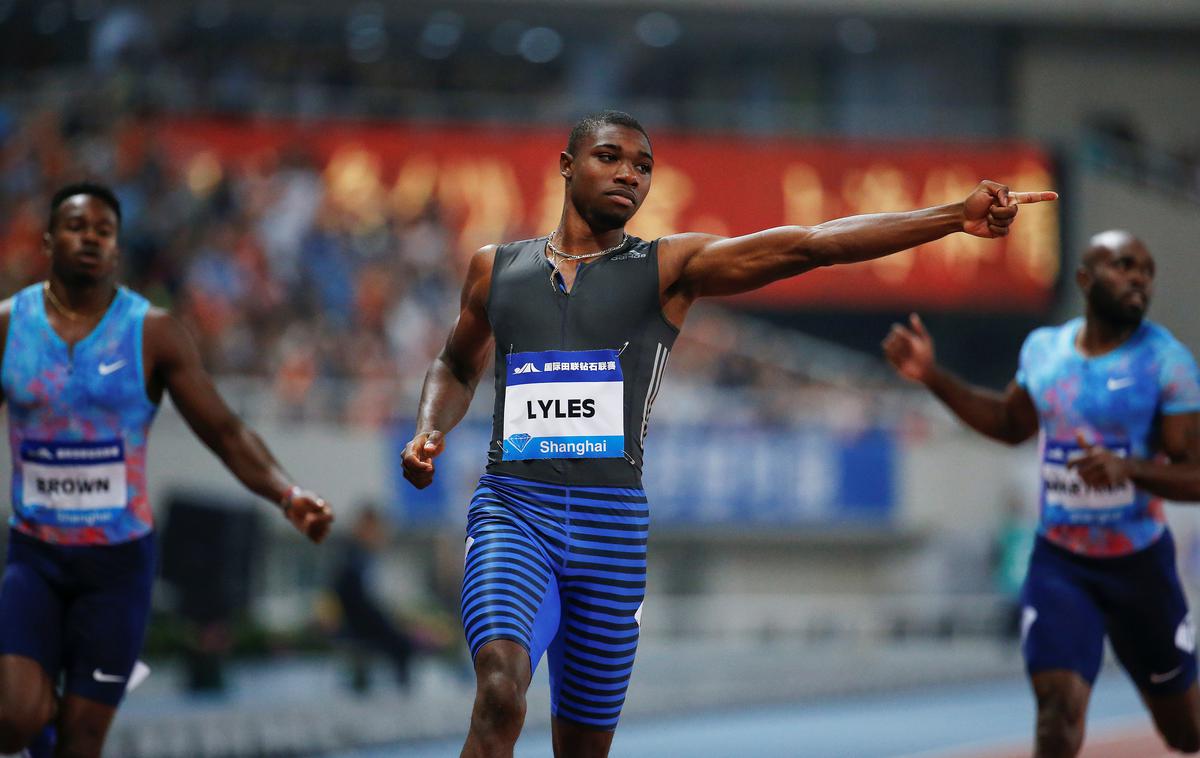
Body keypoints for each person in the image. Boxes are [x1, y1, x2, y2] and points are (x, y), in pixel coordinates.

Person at [401, 110, 1056, 758]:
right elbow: (457, 363)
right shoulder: (496, 270)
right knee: (499, 694)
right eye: (610, 157)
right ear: (567, 167)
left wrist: (951, 216)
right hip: (515, 513)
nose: (629, 174)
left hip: (611, 533)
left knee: (581, 747)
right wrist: (430, 428)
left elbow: (812, 243)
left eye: (644, 166)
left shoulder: (667, 269)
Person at [0, 182, 335, 758]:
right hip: (35, 555)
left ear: (117, 249)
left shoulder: (150, 332)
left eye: (104, 232)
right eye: (77, 228)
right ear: (49, 240)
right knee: (13, 717)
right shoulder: (8, 326)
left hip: (118, 566)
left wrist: (287, 492)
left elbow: (226, 431)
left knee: (83, 741)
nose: (90, 240)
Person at [882, 230, 1200, 757]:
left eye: (1146, 270)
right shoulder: (1045, 352)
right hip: (1061, 564)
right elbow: (1010, 425)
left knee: (1185, 732)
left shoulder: (1167, 364)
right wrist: (932, 376)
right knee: (1058, 709)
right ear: (1084, 278)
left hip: (1139, 566)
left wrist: (1130, 469)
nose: (1139, 278)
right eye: (1123, 266)